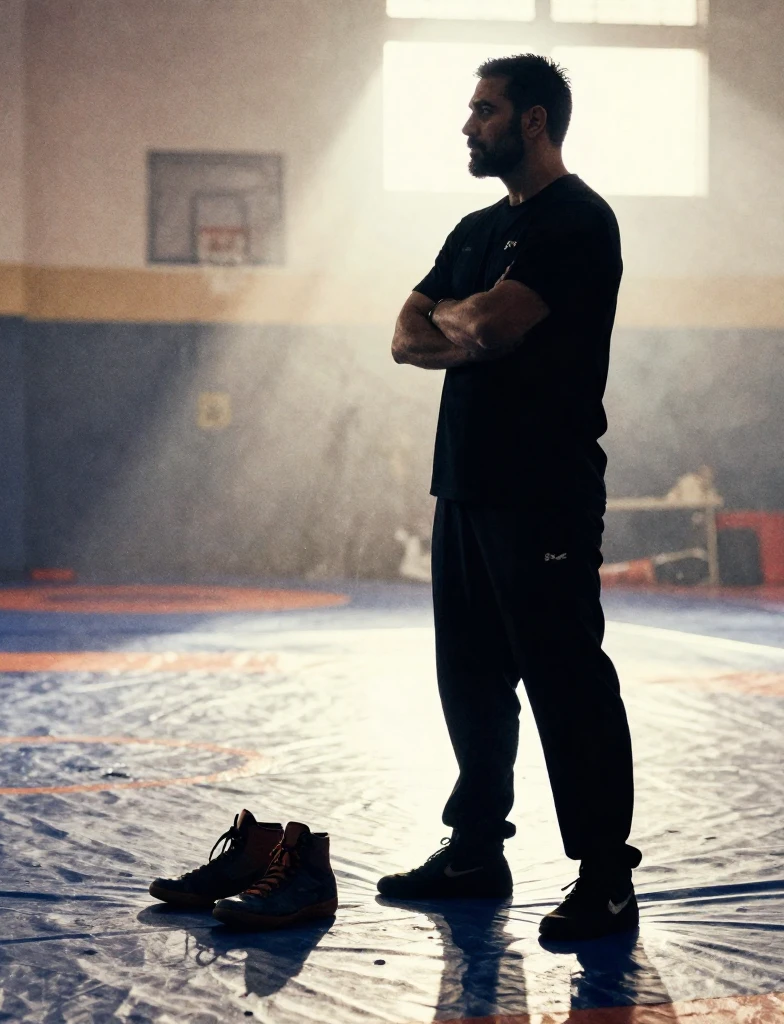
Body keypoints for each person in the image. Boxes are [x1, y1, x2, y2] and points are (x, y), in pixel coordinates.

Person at [377, 54, 642, 942]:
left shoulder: (579, 220)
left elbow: (489, 322)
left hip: (543, 491)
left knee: (566, 680)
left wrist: (466, 321)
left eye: (484, 110)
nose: (467, 125)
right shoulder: (474, 227)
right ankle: (474, 851)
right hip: (464, 483)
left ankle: (605, 878)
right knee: (469, 677)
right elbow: (403, 337)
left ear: (533, 121)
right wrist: (473, 328)